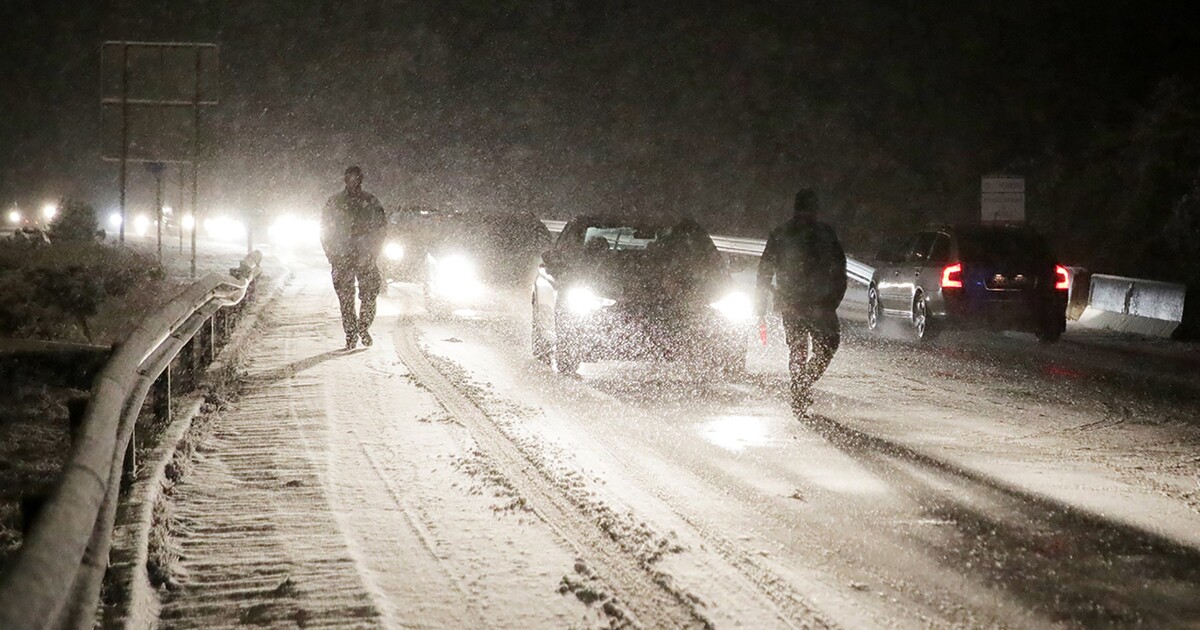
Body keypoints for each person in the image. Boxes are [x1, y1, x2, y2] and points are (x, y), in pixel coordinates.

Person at [756, 188, 847, 415]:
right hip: (819, 302)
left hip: (794, 301)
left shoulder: (781, 233)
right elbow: (839, 269)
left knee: (798, 349)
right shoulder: (825, 234)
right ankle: (802, 384)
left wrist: (761, 302)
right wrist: (833, 298)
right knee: (826, 346)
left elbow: (765, 270)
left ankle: (800, 384)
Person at [321, 165, 387, 350]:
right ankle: (351, 333)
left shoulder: (370, 201)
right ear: (345, 179)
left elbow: (381, 228)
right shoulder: (335, 203)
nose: (352, 181)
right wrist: (331, 254)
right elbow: (325, 230)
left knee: (369, 295)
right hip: (343, 257)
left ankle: (363, 327)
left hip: (365, 256)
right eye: (349, 178)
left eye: (355, 178)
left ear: (360, 179)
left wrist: (373, 252)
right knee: (346, 299)